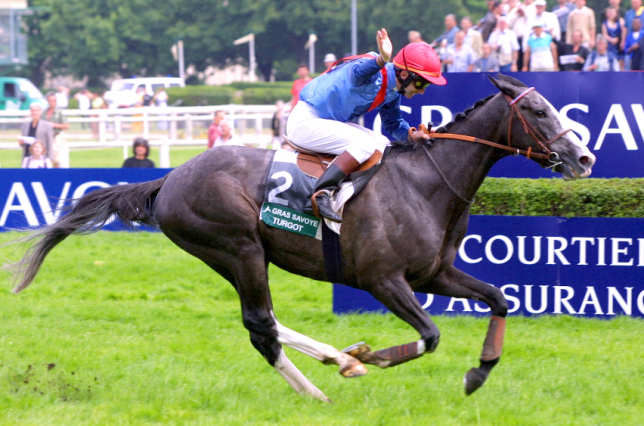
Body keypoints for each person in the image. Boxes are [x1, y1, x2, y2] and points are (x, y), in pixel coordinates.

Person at [287, 29, 445, 222]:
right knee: (365, 145)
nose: (421, 92)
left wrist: (412, 136)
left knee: (382, 143)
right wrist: (381, 59)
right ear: (404, 74)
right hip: (305, 122)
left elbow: (394, 124)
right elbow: (358, 72)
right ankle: (320, 194)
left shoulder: (393, 90)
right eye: (421, 84)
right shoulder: (370, 71)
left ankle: (357, 199)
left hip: (324, 123)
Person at [43, 91, 70, 168]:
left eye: (54, 100)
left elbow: (66, 126)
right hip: (46, 138)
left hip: (56, 136)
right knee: (47, 159)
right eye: (50, 101)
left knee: (56, 159)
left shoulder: (60, 112)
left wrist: (54, 125)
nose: (52, 102)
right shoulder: (44, 113)